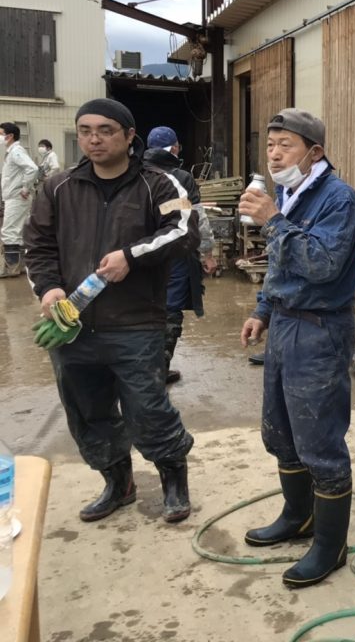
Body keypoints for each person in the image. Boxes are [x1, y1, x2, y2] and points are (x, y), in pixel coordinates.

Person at [22, 98, 198, 523]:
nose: (94, 139)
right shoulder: (58, 188)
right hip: (73, 327)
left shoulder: (158, 185)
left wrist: (131, 256)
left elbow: (184, 230)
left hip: (135, 323)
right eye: (85, 131)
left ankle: (174, 480)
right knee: (89, 412)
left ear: (129, 135)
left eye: (105, 130)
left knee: (148, 409)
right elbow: (37, 245)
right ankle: (118, 483)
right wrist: (48, 289)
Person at [237, 108, 355, 589]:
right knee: (281, 432)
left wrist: (272, 221)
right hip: (286, 325)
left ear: (315, 152)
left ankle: (331, 546)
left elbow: (322, 264)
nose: (273, 154)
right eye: (270, 145)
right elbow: (280, 266)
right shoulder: (291, 192)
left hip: (319, 330)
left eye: (285, 145)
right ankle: (298, 515)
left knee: (320, 442)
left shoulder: (338, 199)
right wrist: (262, 310)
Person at [144, 126, 217, 385]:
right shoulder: (182, 177)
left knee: (143, 307)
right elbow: (197, 218)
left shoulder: (137, 172)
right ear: (175, 147)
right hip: (175, 252)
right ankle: (159, 370)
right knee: (171, 309)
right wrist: (207, 252)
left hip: (141, 253)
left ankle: (139, 369)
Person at [1, 122, 39, 277]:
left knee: (9, 231)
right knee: (19, 231)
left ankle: (11, 267)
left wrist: (25, 188)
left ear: (9, 136)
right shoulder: (12, 152)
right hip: (16, 197)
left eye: (1, 134)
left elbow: (32, 168)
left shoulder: (16, 151)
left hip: (16, 197)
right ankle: (19, 265)